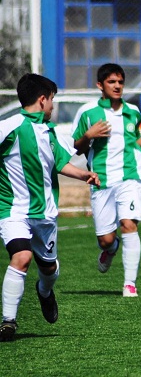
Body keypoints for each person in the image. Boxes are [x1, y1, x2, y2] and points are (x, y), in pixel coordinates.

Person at [0, 74, 100, 342]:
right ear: (42, 99)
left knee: (48, 269)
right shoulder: (10, 127)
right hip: (12, 210)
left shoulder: (49, 131)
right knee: (21, 257)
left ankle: (44, 291)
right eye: (52, 100)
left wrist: (84, 176)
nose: (53, 106)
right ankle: (8, 322)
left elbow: (61, 163)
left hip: (44, 214)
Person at [71, 63, 141, 297]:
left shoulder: (132, 111)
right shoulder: (88, 112)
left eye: (120, 82)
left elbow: (135, 140)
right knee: (106, 239)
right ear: (100, 85)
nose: (117, 86)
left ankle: (130, 283)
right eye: (111, 82)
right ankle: (111, 248)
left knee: (129, 225)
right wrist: (88, 136)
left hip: (131, 175)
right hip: (102, 180)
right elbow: (77, 147)